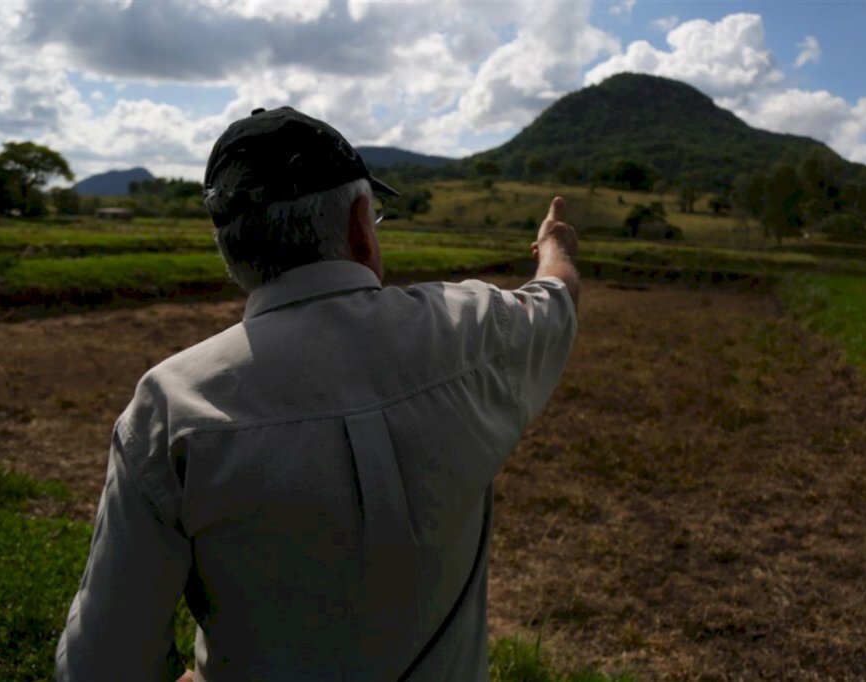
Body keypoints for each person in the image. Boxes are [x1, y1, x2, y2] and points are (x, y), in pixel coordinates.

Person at [56, 106, 579, 681]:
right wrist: (554, 245)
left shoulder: (171, 407)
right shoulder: (475, 327)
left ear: (230, 249)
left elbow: (100, 663)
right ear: (360, 224)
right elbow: (556, 296)